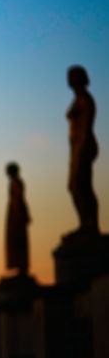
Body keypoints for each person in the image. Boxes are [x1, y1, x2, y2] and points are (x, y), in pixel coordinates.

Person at [66, 65, 99, 239]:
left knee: (81, 186)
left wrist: (80, 152)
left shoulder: (85, 99)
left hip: (83, 147)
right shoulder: (79, 99)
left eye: (72, 76)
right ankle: (85, 224)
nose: (69, 79)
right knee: (76, 186)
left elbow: (85, 129)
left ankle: (90, 225)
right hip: (77, 147)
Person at [4, 162, 30, 276]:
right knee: (16, 242)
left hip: (16, 216)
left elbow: (19, 199)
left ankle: (22, 267)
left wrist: (21, 215)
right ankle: (19, 267)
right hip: (15, 215)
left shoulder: (16, 183)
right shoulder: (15, 182)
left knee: (19, 242)